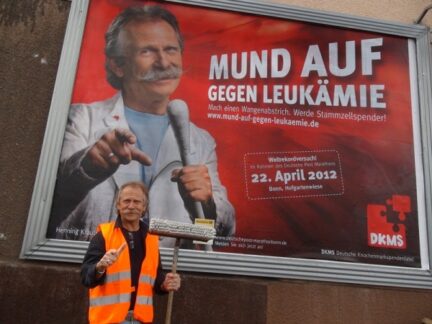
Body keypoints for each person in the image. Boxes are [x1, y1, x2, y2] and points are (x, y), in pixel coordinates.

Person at [47, 5, 235, 246]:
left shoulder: (201, 140)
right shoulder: (81, 118)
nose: (164, 63)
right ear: (117, 65)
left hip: (162, 276)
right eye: (147, 51)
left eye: (171, 49)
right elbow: (50, 196)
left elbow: (221, 237)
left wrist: (207, 205)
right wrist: (88, 167)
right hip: (94, 266)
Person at [81, 181, 181, 324]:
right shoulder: (104, 235)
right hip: (109, 320)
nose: (131, 206)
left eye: (137, 202)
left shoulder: (151, 238)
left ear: (144, 207)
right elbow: (85, 277)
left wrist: (165, 284)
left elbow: (156, 276)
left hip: (140, 319)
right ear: (118, 205)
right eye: (126, 201)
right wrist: (100, 267)